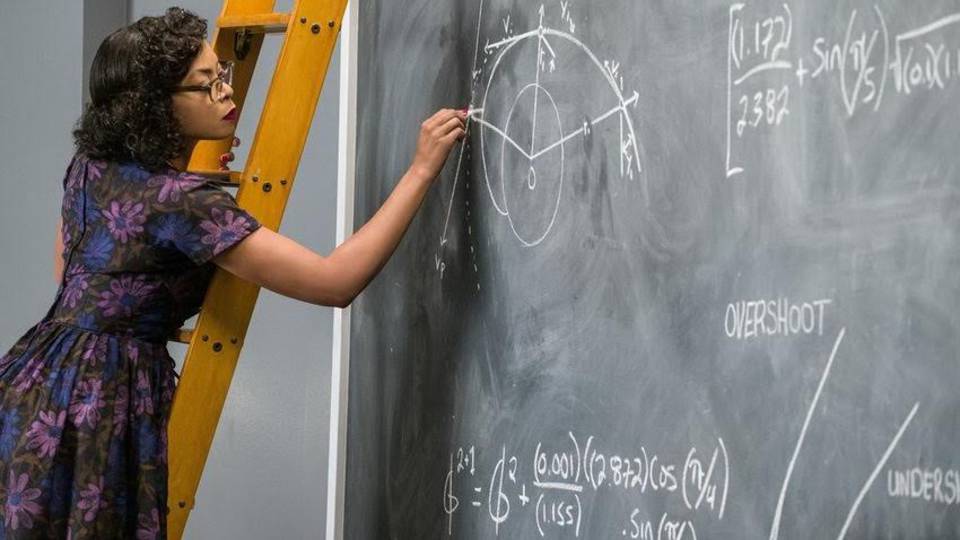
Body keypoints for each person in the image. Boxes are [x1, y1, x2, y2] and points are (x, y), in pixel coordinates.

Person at [0, 7, 465, 538]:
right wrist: (421, 169)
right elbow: (336, 281)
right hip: (98, 409)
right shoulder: (185, 204)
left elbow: (68, 268)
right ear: (154, 106)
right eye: (207, 85)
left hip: (33, 384)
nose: (226, 92)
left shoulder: (91, 167)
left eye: (221, 74)